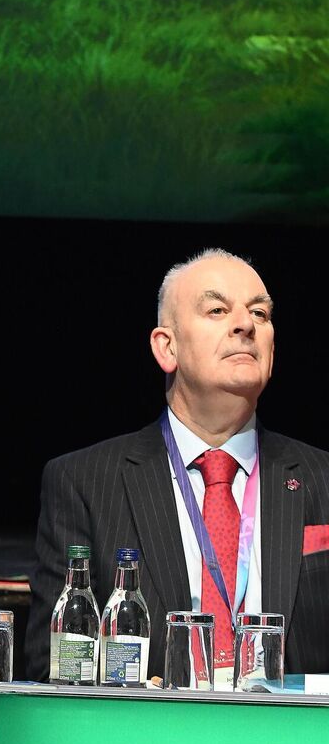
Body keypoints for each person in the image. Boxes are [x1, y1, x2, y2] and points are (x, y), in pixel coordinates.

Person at [27, 248, 329, 684]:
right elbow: (55, 667)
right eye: (217, 310)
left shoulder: (321, 480)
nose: (245, 325)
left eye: (260, 313)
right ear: (167, 348)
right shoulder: (83, 483)